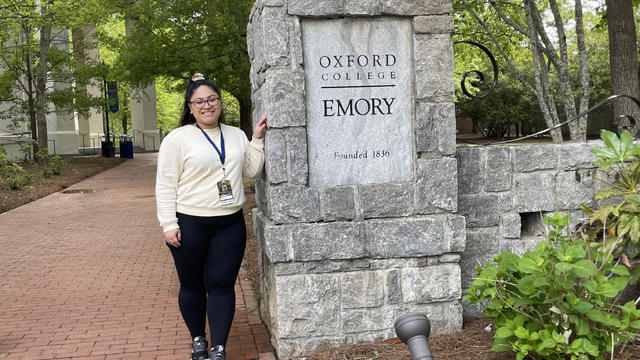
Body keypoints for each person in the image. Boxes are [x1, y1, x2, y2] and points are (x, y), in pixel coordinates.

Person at [155, 73, 266, 360]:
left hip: (229, 223)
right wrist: (169, 224)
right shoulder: (177, 139)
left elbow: (250, 171)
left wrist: (256, 140)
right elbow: (166, 184)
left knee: (221, 284)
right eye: (200, 101)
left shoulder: (235, 135)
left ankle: (218, 347)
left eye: (212, 99)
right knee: (192, 285)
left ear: (220, 102)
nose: (207, 105)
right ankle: (198, 340)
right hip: (190, 223)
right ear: (190, 107)